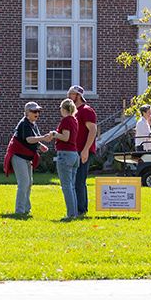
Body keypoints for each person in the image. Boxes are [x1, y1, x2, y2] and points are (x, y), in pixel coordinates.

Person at [3, 102, 52, 215]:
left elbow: (35, 138)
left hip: (27, 156)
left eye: (38, 111)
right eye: (35, 111)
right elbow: (29, 139)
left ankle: (26, 209)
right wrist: (43, 139)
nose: (37, 113)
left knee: (29, 182)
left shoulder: (33, 124)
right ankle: (19, 210)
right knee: (23, 182)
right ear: (27, 113)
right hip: (18, 155)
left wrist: (40, 145)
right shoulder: (24, 124)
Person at [67, 85, 97, 217]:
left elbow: (93, 130)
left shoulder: (86, 110)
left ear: (78, 96)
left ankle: (81, 209)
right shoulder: (74, 111)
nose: (68, 97)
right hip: (74, 150)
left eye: (71, 95)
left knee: (79, 180)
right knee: (74, 180)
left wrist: (85, 150)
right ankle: (76, 209)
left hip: (83, 151)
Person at [49, 98, 80, 220]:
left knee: (66, 186)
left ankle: (71, 214)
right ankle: (74, 213)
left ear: (63, 109)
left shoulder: (66, 120)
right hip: (74, 154)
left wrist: (53, 134)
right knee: (71, 186)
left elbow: (65, 137)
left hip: (65, 154)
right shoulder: (74, 120)